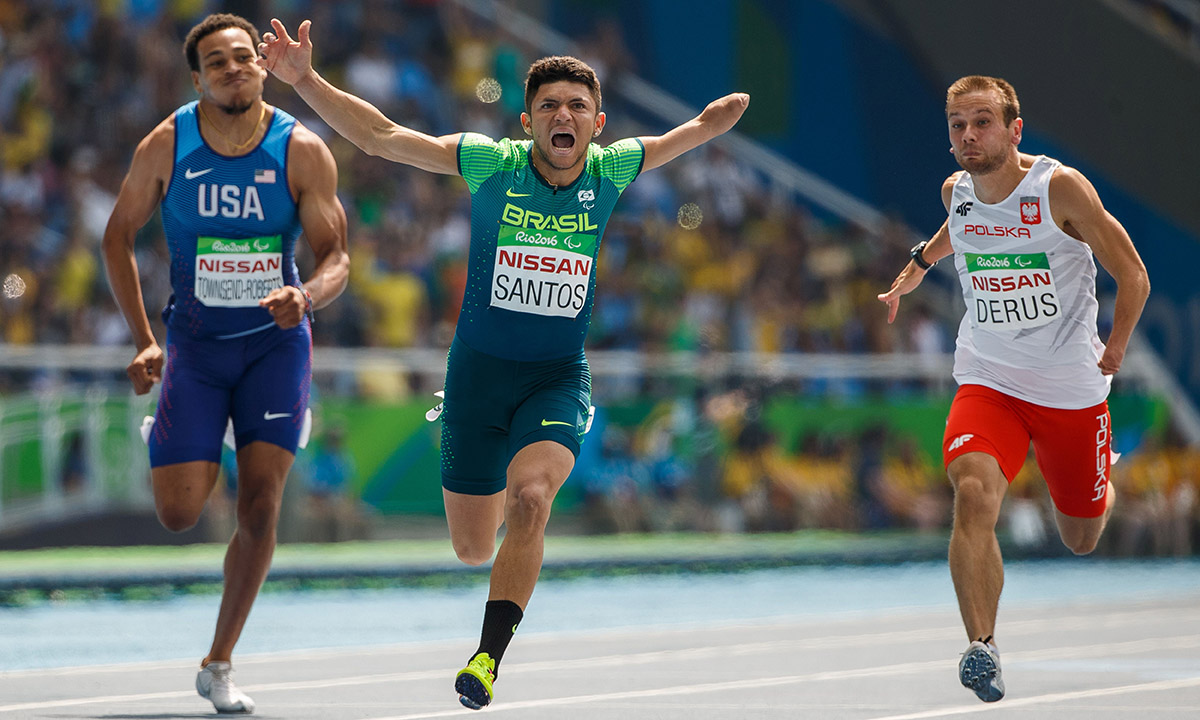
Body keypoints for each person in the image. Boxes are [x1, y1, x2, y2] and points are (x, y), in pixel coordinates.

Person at [257, 18, 748, 710]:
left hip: (556, 376)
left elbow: (684, 135)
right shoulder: (491, 163)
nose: (563, 116)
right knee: (471, 547)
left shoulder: (610, 170)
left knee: (531, 500)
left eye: (576, 106)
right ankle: (491, 547)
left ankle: (487, 658)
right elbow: (382, 137)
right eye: (548, 105)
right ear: (527, 121)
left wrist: (718, 120)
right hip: (476, 378)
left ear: (598, 123)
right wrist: (306, 79)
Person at [101, 13, 349, 714]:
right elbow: (117, 237)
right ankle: (184, 427)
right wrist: (144, 339)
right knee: (179, 514)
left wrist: (305, 295)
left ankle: (218, 662)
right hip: (197, 347)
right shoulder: (167, 145)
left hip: (275, 346)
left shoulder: (301, 150)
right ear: (198, 79)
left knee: (261, 506)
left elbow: (338, 258)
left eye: (244, 57)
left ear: (262, 66)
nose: (234, 68)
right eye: (217, 62)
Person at [878, 75, 1150, 703]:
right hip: (990, 377)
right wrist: (918, 266)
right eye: (957, 126)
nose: (968, 136)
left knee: (1080, 538)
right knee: (973, 492)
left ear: (1014, 129)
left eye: (982, 122)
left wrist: (1115, 347)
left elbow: (1133, 274)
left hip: (1070, 390)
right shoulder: (956, 191)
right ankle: (983, 646)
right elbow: (961, 225)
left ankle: (1103, 477)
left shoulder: (1060, 188)